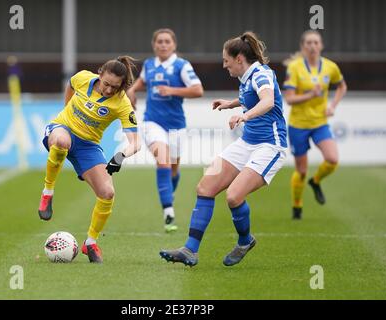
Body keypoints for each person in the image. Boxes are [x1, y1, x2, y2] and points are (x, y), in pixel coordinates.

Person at [159, 31, 287, 267]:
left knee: (234, 196)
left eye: (226, 60)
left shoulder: (260, 74)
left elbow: (268, 100)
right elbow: (253, 97)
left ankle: (245, 241)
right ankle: (190, 250)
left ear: (239, 58)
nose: (224, 64)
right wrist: (232, 103)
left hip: (270, 146)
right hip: (247, 143)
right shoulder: (247, 76)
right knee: (205, 186)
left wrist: (244, 115)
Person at [37, 56, 141, 263]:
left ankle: (91, 243)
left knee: (107, 193)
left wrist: (119, 157)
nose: (109, 90)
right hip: (62, 129)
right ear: (99, 74)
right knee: (61, 143)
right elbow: (70, 84)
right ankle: (47, 192)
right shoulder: (83, 78)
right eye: (106, 84)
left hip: (88, 145)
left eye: (115, 87)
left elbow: (135, 143)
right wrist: (65, 109)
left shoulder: (122, 103)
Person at [127, 28, 204, 232]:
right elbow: (143, 81)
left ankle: (169, 193)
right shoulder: (149, 65)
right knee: (163, 159)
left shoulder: (181, 66)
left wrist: (173, 90)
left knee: (173, 169)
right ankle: (168, 211)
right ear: (154, 45)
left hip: (177, 125)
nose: (163, 45)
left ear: (174, 45)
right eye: (159, 41)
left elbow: (198, 90)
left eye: (167, 41)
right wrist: (132, 90)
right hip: (152, 122)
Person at [283, 30, 347, 220]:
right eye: (309, 43)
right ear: (303, 46)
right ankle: (297, 206)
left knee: (332, 159)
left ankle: (316, 181)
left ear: (321, 46)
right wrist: (311, 95)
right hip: (298, 125)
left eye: (315, 42)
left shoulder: (330, 67)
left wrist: (332, 105)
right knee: (301, 171)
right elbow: (289, 99)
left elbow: (342, 86)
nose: (312, 46)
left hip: (320, 123)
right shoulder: (294, 68)